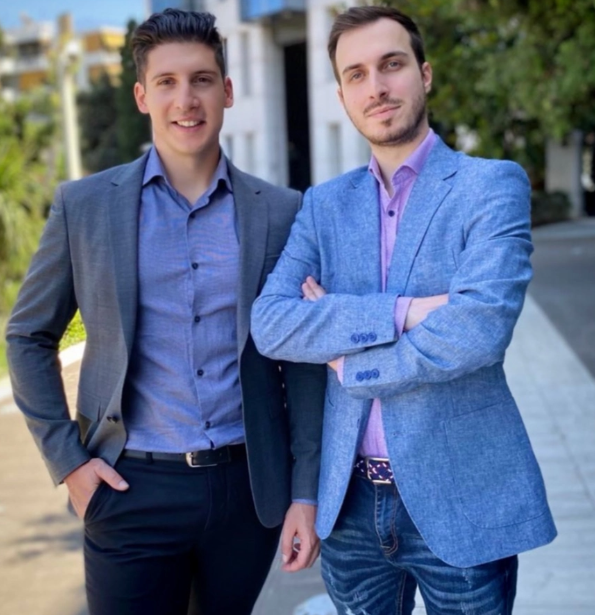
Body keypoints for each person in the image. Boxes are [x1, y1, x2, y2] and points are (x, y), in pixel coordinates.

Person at [6, 9, 325, 615]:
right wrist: (70, 464)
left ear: (227, 90)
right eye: (167, 82)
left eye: (202, 79)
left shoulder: (282, 212)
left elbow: (304, 361)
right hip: (130, 488)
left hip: (247, 491)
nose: (186, 100)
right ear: (141, 96)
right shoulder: (85, 206)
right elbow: (27, 336)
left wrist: (304, 492)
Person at [251, 6, 556, 614]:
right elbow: (272, 323)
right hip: (350, 507)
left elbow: (478, 329)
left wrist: (349, 360)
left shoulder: (490, 186)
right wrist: (407, 311)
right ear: (342, 95)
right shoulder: (323, 206)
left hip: (462, 496)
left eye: (391, 65)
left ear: (425, 73)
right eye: (356, 74)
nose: (377, 87)